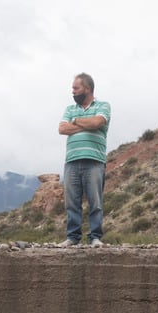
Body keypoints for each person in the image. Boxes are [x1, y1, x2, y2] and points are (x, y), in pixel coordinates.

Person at [57, 73, 111, 247]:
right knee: (72, 202)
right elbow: (62, 129)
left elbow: (97, 123)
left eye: (76, 88)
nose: (72, 91)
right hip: (72, 160)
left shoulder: (103, 105)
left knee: (95, 202)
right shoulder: (69, 108)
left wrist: (77, 121)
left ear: (87, 89)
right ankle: (72, 238)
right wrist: (85, 123)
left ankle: (95, 237)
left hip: (94, 160)